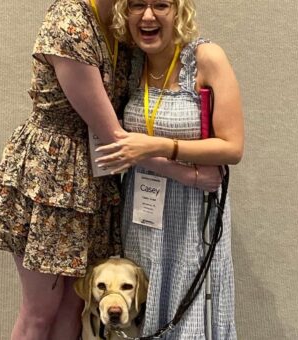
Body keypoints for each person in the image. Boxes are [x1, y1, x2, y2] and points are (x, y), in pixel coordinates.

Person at [94, 0, 244, 338]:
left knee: (190, 314)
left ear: (178, 11)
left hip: (193, 219)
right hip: (142, 217)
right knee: (141, 313)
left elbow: (232, 148)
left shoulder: (205, 59)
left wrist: (160, 146)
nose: (148, 16)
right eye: (137, 5)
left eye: (161, 4)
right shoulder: (129, 65)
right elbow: (112, 143)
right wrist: (183, 170)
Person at [0, 0, 130, 338]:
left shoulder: (120, 21)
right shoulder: (68, 21)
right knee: (40, 310)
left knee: (73, 305)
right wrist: (186, 166)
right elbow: (112, 133)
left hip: (93, 175)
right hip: (52, 174)